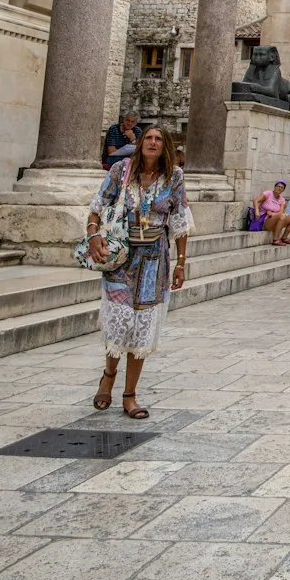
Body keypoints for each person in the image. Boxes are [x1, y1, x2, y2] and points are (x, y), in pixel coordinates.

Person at [85, 124, 192, 420]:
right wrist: (93, 235)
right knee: (119, 323)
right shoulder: (121, 171)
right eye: (149, 138)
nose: (154, 143)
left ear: (165, 146)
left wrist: (181, 262)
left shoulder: (174, 177)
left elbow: (181, 222)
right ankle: (108, 374)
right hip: (121, 257)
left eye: (159, 139)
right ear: (141, 142)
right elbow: (97, 206)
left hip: (153, 260)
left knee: (141, 328)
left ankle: (130, 394)